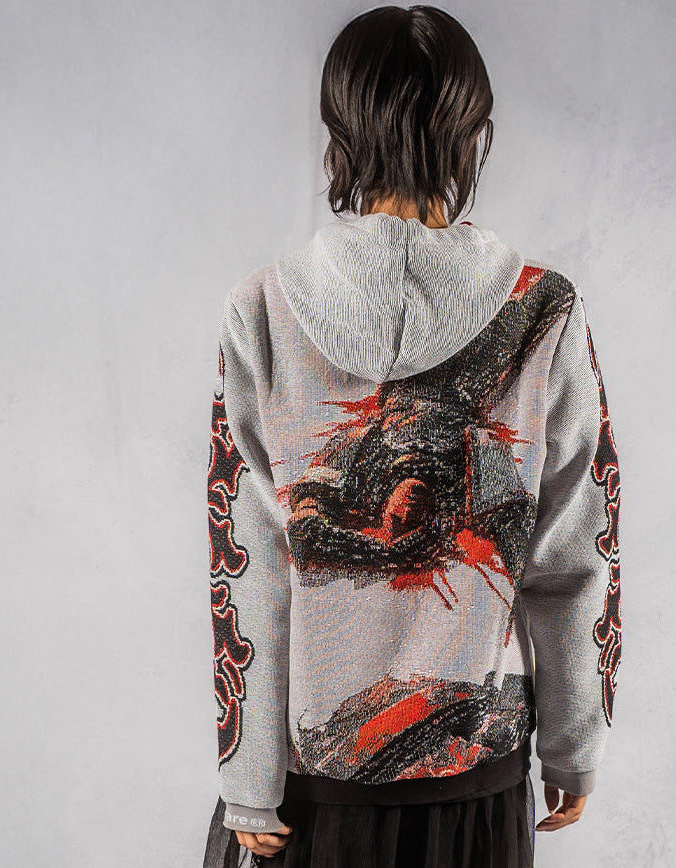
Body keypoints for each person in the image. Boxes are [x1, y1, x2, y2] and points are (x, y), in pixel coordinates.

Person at [202, 5, 622, 867]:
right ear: (473, 134)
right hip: (476, 780)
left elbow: (248, 564)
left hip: (308, 794)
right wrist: (573, 746)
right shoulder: (543, 309)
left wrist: (248, 778)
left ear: (340, 132)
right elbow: (575, 555)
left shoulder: (264, 309)